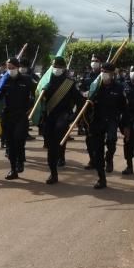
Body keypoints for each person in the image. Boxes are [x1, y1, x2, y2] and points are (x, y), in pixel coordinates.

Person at [40, 56, 81, 184]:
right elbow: (39, 100)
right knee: (50, 144)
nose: (56, 69)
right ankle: (53, 170)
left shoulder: (69, 83)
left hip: (63, 115)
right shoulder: (47, 81)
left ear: (64, 68)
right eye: (54, 66)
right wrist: (42, 91)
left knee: (56, 140)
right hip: (49, 116)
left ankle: (54, 171)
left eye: (59, 67)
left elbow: (80, 101)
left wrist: (73, 117)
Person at [86, 62, 127, 189]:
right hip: (96, 121)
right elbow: (86, 105)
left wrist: (125, 125)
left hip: (111, 120)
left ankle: (109, 158)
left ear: (113, 74)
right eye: (102, 71)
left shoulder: (119, 88)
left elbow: (124, 108)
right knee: (97, 150)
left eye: (107, 72)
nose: (104, 74)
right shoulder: (95, 87)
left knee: (111, 141)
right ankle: (101, 178)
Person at [0, 57, 34, 179]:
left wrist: (31, 106)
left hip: (21, 115)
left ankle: (20, 162)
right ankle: (12, 169)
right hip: (7, 115)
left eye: (13, 68)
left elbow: (35, 93)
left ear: (18, 67)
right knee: (10, 143)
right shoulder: (3, 79)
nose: (10, 70)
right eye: (8, 68)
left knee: (19, 140)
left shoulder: (26, 79)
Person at [79, 54, 103, 168]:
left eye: (96, 60)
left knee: (99, 138)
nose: (94, 62)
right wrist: (84, 93)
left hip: (100, 112)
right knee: (89, 138)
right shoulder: (86, 77)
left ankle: (99, 159)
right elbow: (80, 90)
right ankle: (92, 159)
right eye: (92, 60)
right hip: (87, 112)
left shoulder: (104, 77)